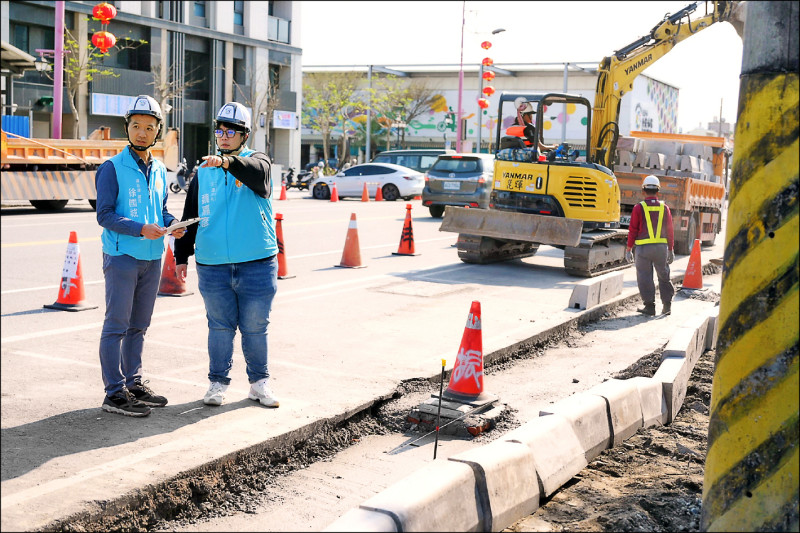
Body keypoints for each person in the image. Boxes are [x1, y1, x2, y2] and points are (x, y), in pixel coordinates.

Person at [174, 102, 280, 408]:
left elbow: (257, 173)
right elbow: (190, 214)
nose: (223, 135)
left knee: (255, 327)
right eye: (219, 130)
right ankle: (217, 384)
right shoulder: (202, 172)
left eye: (230, 130)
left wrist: (226, 164)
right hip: (213, 263)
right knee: (219, 327)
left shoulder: (257, 162)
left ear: (244, 135)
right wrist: (182, 256)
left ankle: (259, 384)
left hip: (257, 261)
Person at [95, 94, 186, 417]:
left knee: (139, 325)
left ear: (158, 131)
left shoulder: (160, 168)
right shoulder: (112, 168)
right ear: (127, 128)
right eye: (136, 126)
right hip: (122, 256)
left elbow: (159, 211)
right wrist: (139, 228)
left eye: (149, 127)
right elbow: (104, 215)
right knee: (116, 325)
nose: (142, 133)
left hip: (152, 256)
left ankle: (133, 383)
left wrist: (173, 224)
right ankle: (113, 392)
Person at [625, 175, 675, 316]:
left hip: (643, 250)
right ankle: (667, 306)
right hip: (661, 249)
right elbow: (670, 230)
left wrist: (629, 249)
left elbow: (633, 230)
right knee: (664, 276)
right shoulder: (664, 208)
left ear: (643, 190)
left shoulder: (638, 208)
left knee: (644, 277)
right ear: (658, 191)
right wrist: (670, 249)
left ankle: (650, 307)